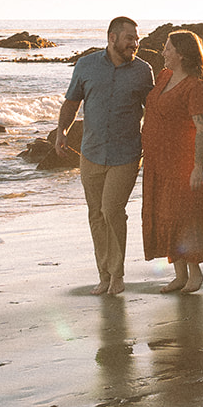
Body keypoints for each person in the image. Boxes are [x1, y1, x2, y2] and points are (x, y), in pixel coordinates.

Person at [56, 16, 154, 295]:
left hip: (126, 154)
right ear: (112, 38)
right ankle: (104, 274)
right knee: (96, 215)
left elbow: (155, 111)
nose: (135, 44)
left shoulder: (143, 71)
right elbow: (72, 102)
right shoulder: (86, 65)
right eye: (129, 38)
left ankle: (118, 274)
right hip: (91, 152)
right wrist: (61, 131)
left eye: (137, 39)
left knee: (112, 210)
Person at [141, 29, 203, 293]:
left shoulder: (197, 86)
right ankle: (178, 274)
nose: (163, 52)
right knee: (164, 215)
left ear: (181, 53)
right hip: (157, 162)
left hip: (182, 163)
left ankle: (195, 274)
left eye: (167, 48)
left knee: (184, 217)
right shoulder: (164, 76)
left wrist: (199, 166)